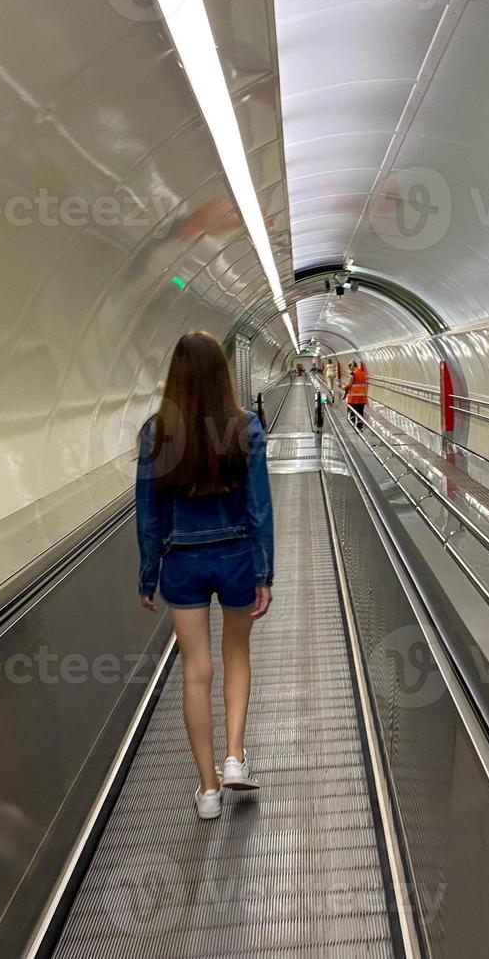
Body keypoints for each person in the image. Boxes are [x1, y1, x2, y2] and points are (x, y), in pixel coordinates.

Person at [136, 331, 274, 821]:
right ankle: (235, 757)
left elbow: (149, 515)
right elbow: (258, 506)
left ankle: (209, 788)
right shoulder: (246, 427)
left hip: (183, 563)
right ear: (222, 374)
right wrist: (264, 571)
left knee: (196, 672)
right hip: (236, 556)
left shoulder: (156, 435)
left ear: (175, 377)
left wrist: (148, 575)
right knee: (236, 653)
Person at [345, 359, 368, 430]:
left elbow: (349, 384)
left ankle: (352, 428)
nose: (350, 369)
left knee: (352, 413)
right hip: (361, 398)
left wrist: (343, 387)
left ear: (352, 366)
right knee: (360, 413)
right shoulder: (362, 373)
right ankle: (359, 428)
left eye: (350, 367)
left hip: (353, 398)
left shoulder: (353, 374)